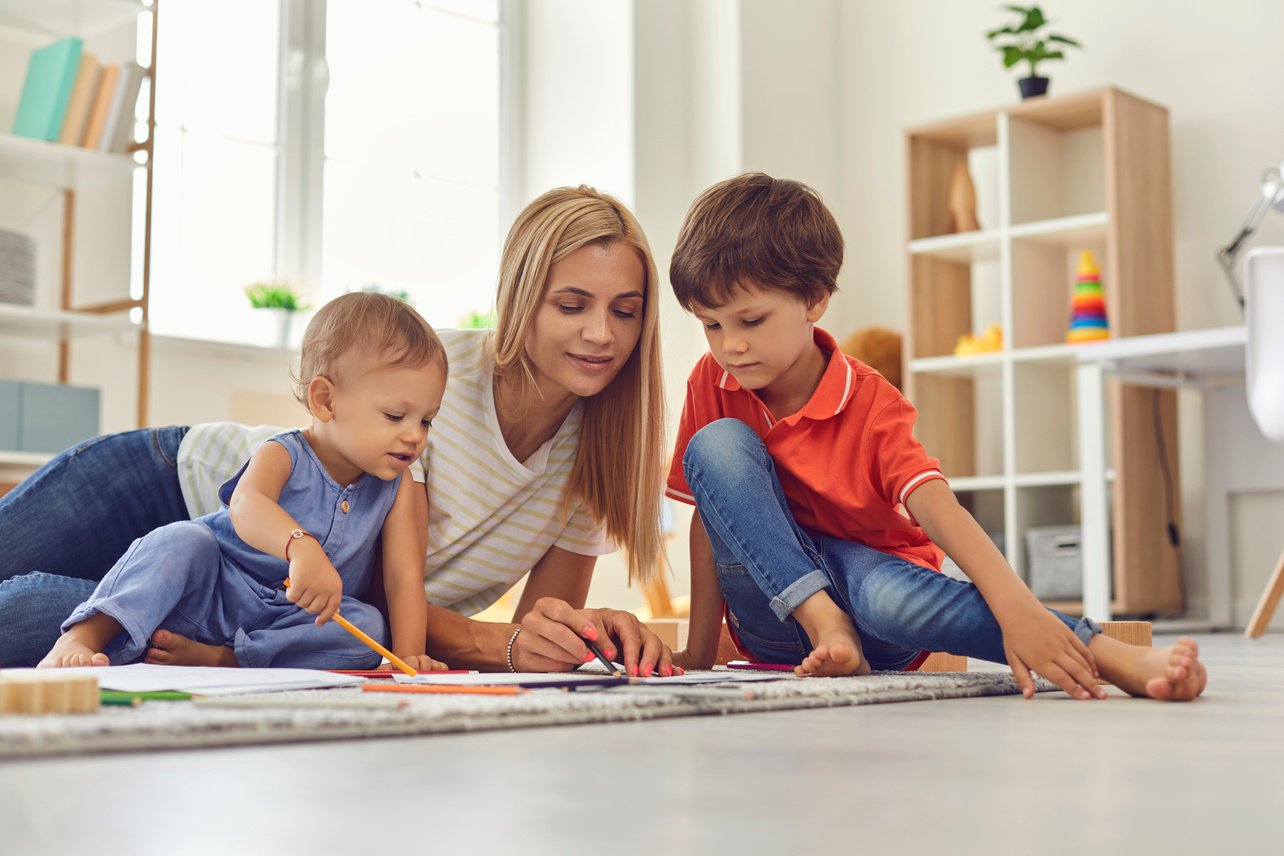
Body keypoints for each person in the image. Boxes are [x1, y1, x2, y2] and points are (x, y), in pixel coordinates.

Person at [1, 185, 678, 677]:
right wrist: (486, 645)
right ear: (522, 297)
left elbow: (534, 629)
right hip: (171, 485)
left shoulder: (601, 459)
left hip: (251, 600)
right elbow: (398, 595)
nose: (601, 334)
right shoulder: (434, 380)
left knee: (41, 624)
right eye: (571, 304)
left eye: (625, 312)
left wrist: (586, 639)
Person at [664, 172, 1206, 701]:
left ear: (814, 299)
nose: (730, 346)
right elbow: (710, 522)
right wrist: (698, 650)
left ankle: (1110, 657)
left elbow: (938, 509)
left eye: (750, 321)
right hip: (776, 620)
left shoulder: (870, 402)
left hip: (876, 617)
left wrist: (1019, 608)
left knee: (880, 587)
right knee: (716, 445)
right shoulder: (712, 384)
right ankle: (824, 620)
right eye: (712, 325)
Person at [40, 292, 451, 670]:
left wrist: (411, 657)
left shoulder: (397, 487)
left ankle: (226, 659)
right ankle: (81, 636)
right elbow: (247, 505)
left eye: (426, 420)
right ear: (325, 400)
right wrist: (300, 546)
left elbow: (403, 577)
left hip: (288, 619)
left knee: (368, 627)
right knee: (181, 541)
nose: (415, 435)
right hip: (213, 590)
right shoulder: (284, 453)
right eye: (396, 416)